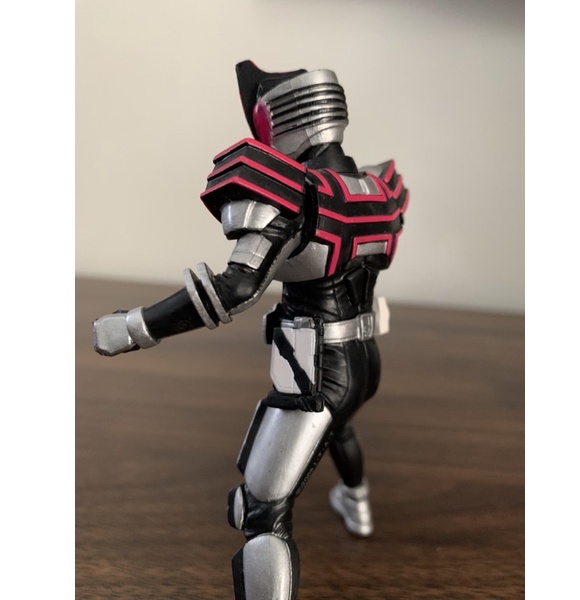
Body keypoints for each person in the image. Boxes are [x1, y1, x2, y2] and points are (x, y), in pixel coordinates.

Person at [93, 60, 409, 600]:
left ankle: (346, 508)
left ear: (282, 119)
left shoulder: (298, 192)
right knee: (340, 427)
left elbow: (235, 289)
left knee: (261, 511)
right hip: (365, 361)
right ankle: (356, 503)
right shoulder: (379, 189)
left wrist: (136, 325)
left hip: (313, 377)